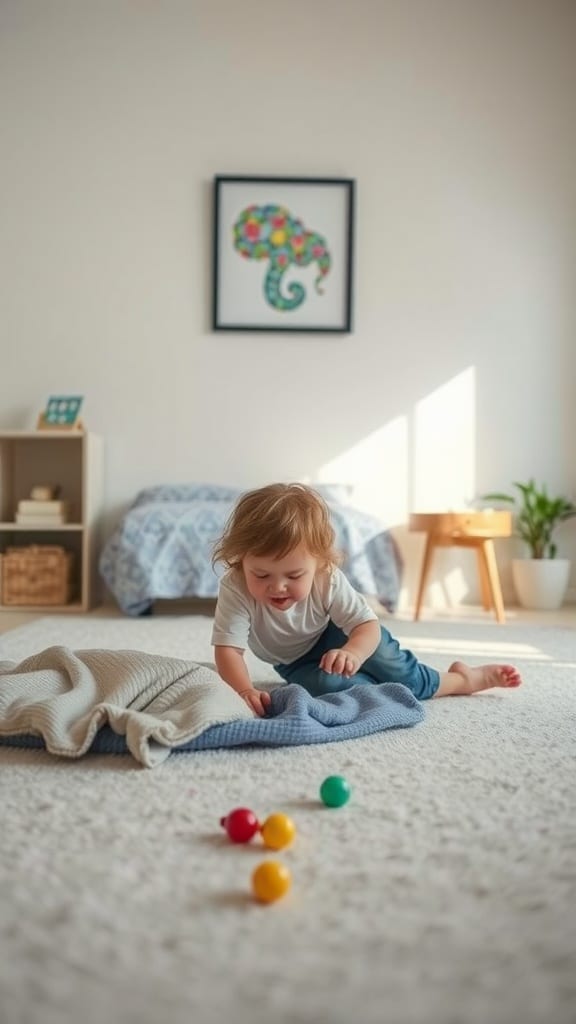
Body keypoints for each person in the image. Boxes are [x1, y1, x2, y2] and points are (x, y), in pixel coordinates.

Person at [211, 483, 522, 717]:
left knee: (395, 668)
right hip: (293, 661)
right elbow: (229, 650)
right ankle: (391, 683)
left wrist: (353, 654)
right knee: (329, 689)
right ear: (241, 561)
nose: (277, 587)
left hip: (344, 632)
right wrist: (244, 690)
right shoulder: (235, 586)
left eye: (293, 576)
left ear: (318, 562)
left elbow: (366, 626)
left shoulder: (327, 577)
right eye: (261, 575)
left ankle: (463, 680)